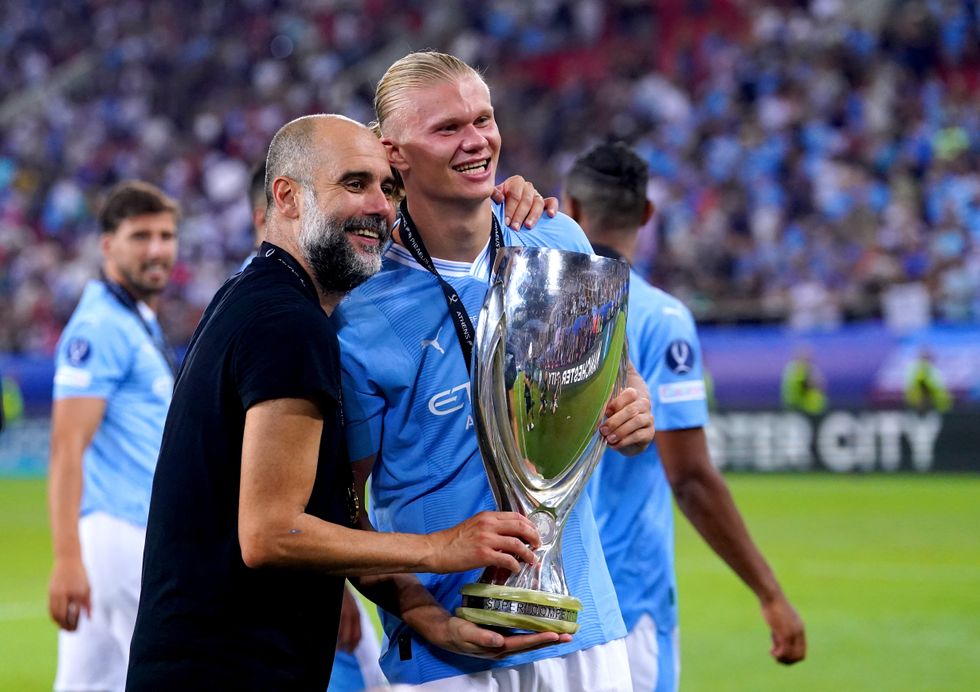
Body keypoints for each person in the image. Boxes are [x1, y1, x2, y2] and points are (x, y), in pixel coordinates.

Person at [127, 114, 560, 690]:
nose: (381, 205)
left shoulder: (253, 295)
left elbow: (320, 521)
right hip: (230, 670)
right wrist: (439, 547)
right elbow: (272, 533)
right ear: (287, 197)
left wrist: (426, 614)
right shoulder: (289, 324)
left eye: (388, 187)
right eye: (354, 184)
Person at [334, 51, 655, 689]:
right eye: (447, 128)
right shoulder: (360, 307)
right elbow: (342, 505)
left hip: (579, 626)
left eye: (483, 119)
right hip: (450, 654)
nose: (477, 141)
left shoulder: (557, 239)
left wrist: (634, 406)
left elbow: (618, 376)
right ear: (391, 150)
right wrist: (421, 614)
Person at [566, 142, 807, 691]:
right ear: (648, 215)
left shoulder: (530, 307)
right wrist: (770, 593)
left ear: (571, 208)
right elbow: (692, 479)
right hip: (628, 600)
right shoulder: (660, 317)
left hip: (541, 596)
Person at [47, 180, 180, 692]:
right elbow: (66, 447)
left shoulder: (132, 319)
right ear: (108, 246)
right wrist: (65, 559)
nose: (157, 249)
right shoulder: (99, 327)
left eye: (166, 235)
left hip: (128, 536)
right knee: (170, 675)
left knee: (90, 683)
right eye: (140, 235)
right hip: (123, 537)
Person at [781, 346, 828, 415]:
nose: (809, 359)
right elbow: (805, 385)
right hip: (801, 408)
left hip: (814, 407)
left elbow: (821, 386)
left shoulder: (810, 369)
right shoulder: (796, 371)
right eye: (806, 357)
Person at [904, 346, 952, 412]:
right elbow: (922, 388)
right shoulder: (920, 371)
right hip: (925, 405)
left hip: (936, 405)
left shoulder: (932, 370)